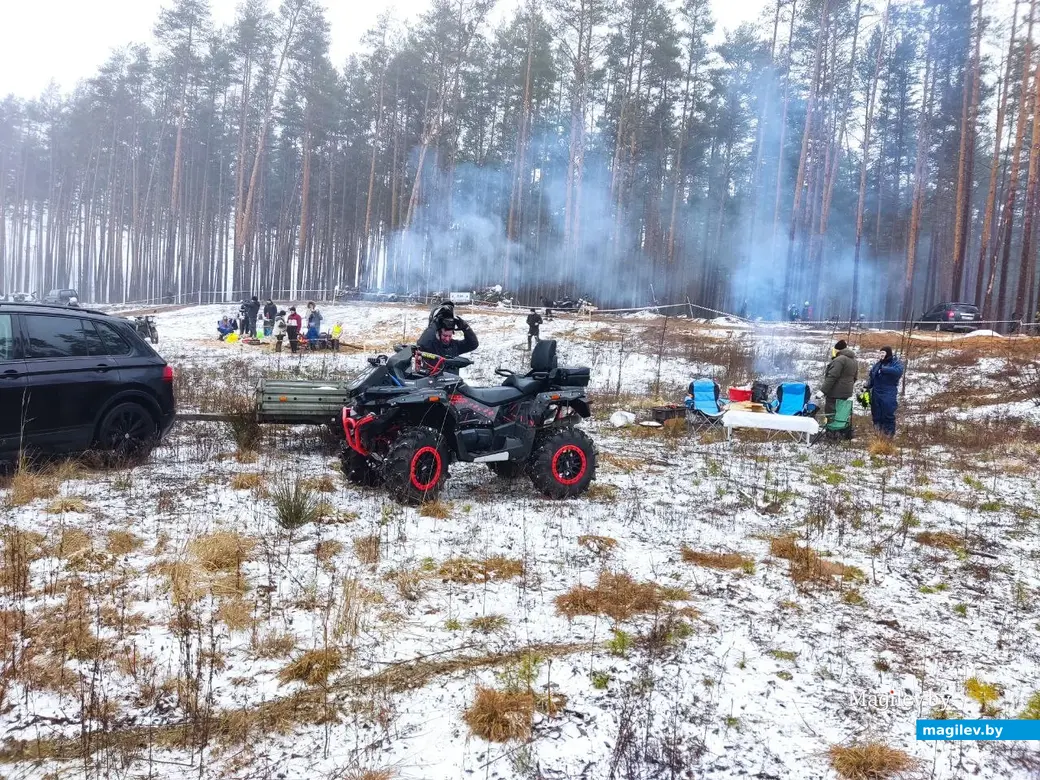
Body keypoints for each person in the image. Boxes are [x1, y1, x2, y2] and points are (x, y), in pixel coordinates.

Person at [866, 346, 904, 437]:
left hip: (888, 392)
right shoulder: (877, 364)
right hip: (876, 393)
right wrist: (867, 386)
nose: (881, 355)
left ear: (888, 353)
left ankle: (888, 436)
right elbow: (872, 375)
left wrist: (884, 370)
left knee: (888, 414)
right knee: (876, 414)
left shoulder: (895, 363)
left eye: (883, 353)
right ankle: (878, 434)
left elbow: (898, 372)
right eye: (880, 353)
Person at [817, 339, 859, 419]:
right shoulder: (854, 360)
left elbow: (832, 376)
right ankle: (841, 430)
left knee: (831, 413)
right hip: (847, 393)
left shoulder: (839, 360)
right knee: (842, 413)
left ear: (837, 350)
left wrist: (823, 391)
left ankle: (831, 430)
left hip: (835, 393)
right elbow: (855, 377)